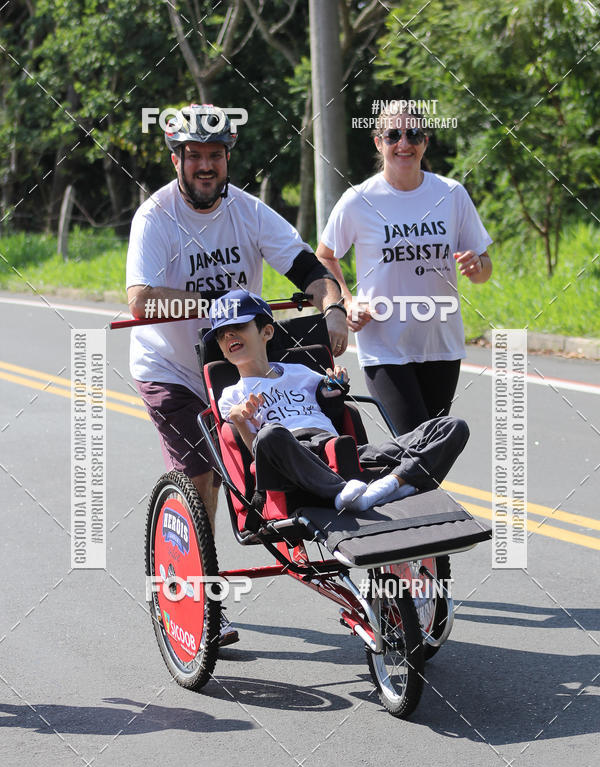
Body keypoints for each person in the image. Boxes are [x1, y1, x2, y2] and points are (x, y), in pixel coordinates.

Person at [126, 105, 347, 644]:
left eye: (215, 156)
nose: (206, 166)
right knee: (202, 474)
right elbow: (140, 300)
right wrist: (218, 302)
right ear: (177, 159)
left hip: (236, 362)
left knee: (276, 445)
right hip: (171, 367)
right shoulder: (155, 217)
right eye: (195, 156)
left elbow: (308, 270)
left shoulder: (248, 211)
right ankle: (202, 601)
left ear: (227, 159)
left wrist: (333, 307)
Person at [207, 290, 470, 513]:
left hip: (340, 451)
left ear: (266, 331)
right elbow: (257, 452)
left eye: (238, 327)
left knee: (451, 427)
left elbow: (334, 411)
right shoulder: (232, 395)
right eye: (222, 334)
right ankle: (345, 492)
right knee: (269, 435)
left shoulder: (301, 372)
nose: (229, 336)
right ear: (220, 348)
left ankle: (392, 484)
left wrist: (333, 392)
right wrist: (241, 421)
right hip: (296, 460)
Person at [316, 111, 492, 434]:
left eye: (413, 135)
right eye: (393, 135)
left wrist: (478, 266)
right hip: (384, 346)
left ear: (425, 142)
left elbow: (484, 268)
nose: (403, 143)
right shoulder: (358, 201)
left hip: (441, 343)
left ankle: (385, 481)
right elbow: (325, 257)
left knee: (431, 452)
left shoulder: (451, 195)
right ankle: (382, 482)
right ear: (378, 143)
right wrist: (347, 300)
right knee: (418, 446)